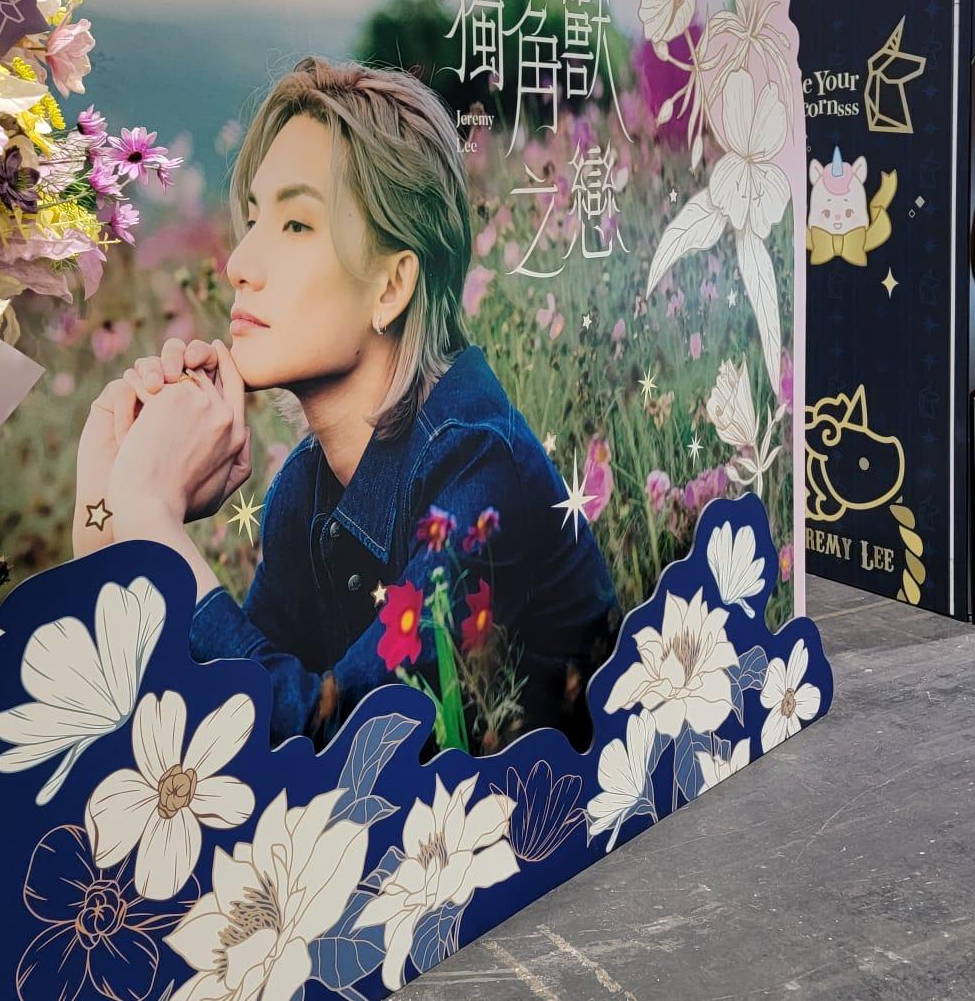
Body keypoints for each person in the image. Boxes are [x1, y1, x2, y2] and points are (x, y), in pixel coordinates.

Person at [71, 57, 620, 748]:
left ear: (391, 286)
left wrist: (153, 523)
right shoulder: (305, 490)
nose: (239, 264)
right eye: (252, 220)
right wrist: (107, 520)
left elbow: (339, 748)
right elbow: (212, 743)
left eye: (296, 225)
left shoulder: (481, 469)